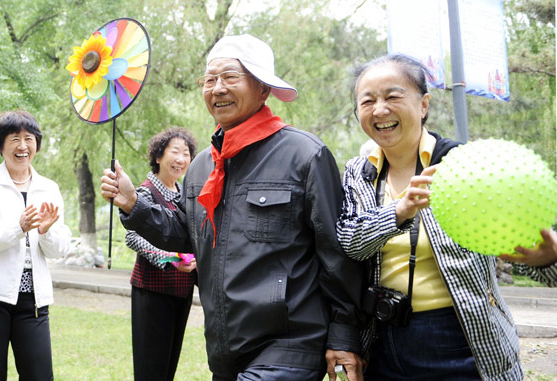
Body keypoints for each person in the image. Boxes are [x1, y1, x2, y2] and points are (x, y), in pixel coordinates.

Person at [101, 34, 368, 381]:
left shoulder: (304, 155)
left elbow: (336, 253)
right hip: (225, 350)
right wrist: (133, 204)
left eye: (230, 77)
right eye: (210, 80)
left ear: (263, 89)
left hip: (289, 346)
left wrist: (344, 334)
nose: (218, 88)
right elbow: (183, 234)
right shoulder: (202, 167)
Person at [336, 54, 557, 380]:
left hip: (465, 338)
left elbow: (523, 251)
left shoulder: (470, 167)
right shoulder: (359, 172)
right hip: (384, 339)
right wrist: (399, 210)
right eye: (367, 101)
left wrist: (544, 259)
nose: (379, 110)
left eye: (393, 96)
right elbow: (349, 242)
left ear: (424, 104)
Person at [0, 110, 71, 380]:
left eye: (29, 139)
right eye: (15, 139)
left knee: (39, 375)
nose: (23, 146)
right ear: (1, 144)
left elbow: (58, 250)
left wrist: (45, 231)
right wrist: (18, 227)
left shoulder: (49, 188)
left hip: (33, 300)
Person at [125, 128, 198, 381]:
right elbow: (132, 236)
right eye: (174, 152)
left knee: (168, 368)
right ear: (158, 156)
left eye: (186, 154)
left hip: (181, 292)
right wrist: (171, 259)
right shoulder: (143, 193)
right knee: (150, 369)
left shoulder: (184, 196)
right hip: (152, 292)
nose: (180, 159)